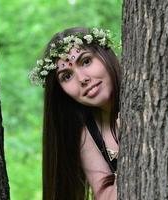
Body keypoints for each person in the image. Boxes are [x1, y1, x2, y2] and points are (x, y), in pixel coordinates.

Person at [29, 27, 120, 200]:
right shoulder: (87, 134)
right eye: (67, 76)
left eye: (86, 61)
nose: (82, 79)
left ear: (105, 54)